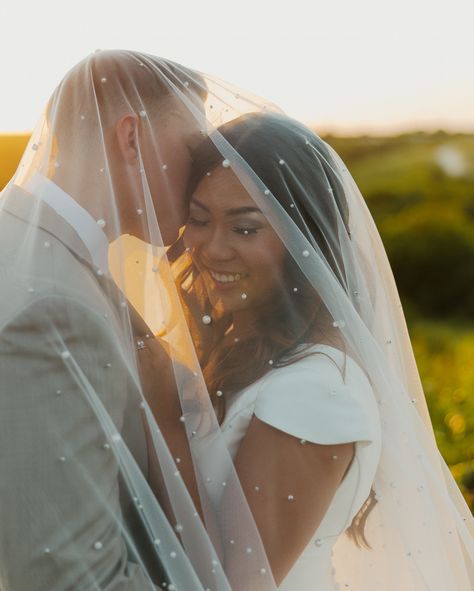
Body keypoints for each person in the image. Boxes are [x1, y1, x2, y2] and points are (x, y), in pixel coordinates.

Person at [0, 50, 277, 591]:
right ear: (130, 138)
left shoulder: (27, 247)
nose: (204, 172)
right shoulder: (54, 310)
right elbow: (68, 577)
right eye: (194, 147)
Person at [169, 111, 474, 589]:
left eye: (245, 229)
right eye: (199, 219)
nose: (211, 248)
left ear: (301, 240)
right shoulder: (253, 355)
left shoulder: (312, 392)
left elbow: (233, 583)